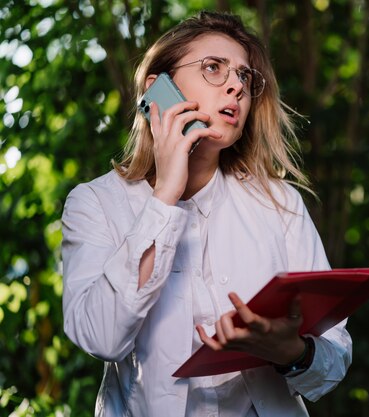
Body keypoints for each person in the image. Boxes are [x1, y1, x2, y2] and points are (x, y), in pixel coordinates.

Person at [61, 10, 352, 417]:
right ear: (157, 90)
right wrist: (165, 195)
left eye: (244, 78)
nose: (236, 85)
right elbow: (101, 337)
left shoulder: (281, 203)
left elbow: (335, 356)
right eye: (214, 68)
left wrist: (293, 352)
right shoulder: (93, 203)